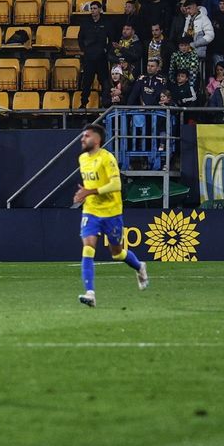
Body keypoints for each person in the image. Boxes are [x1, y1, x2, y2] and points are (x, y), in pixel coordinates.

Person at [73, 122, 149, 308]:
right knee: (88, 248)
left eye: (87, 136)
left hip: (112, 211)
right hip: (91, 211)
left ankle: (139, 267)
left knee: (117, 253)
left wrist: (89, 192)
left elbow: (116, 186)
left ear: (97, 140)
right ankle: (90, 293)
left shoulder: (107, 159)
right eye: (83, 136)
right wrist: (84, 193)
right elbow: (90, 186)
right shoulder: (82, 159)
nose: (83, 139)